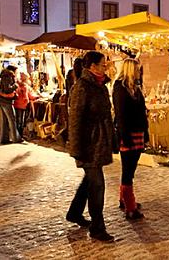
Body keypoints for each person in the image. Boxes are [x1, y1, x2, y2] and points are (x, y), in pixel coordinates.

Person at [66, 51, 116, 242]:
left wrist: (111, 138)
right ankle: (97, 227)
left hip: (99, 142)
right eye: (103, 64)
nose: (106, 67)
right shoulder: (82, 87)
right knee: (97, 185)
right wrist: (77, 149)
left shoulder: (100, 85)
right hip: (88, 145)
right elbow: (75, 120)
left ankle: (74, 213)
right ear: (92, 66)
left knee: (89, 181)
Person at [113, 58, 148, 220]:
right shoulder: (120, 88)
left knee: (130, 169)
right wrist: (124, 136)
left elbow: (142, 111)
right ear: (130, 70)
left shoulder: (136, 88)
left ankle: (124, 199)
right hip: (127, 134)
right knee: (128, 171)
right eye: (137, 69)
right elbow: (121, 115)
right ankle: (130, 207)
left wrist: (145, 133)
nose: (139, 72)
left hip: (138, 132)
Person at [0, 65, 21, 144]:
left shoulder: (4, 76)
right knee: (12, 120)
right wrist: (15, 86)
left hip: (2, 101)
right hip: (7, 101)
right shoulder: (9, 76)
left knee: (5, 121)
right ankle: (16, 138)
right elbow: (8, 89)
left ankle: (4, 139)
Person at [14, 72, 34, 139]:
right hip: (22, 104)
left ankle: (18, 135)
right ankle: (19, 135)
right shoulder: (24, 86)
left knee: (18, 120)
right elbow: (28, 96)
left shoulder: (18, 85)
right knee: (20, 121)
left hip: (18, 104)